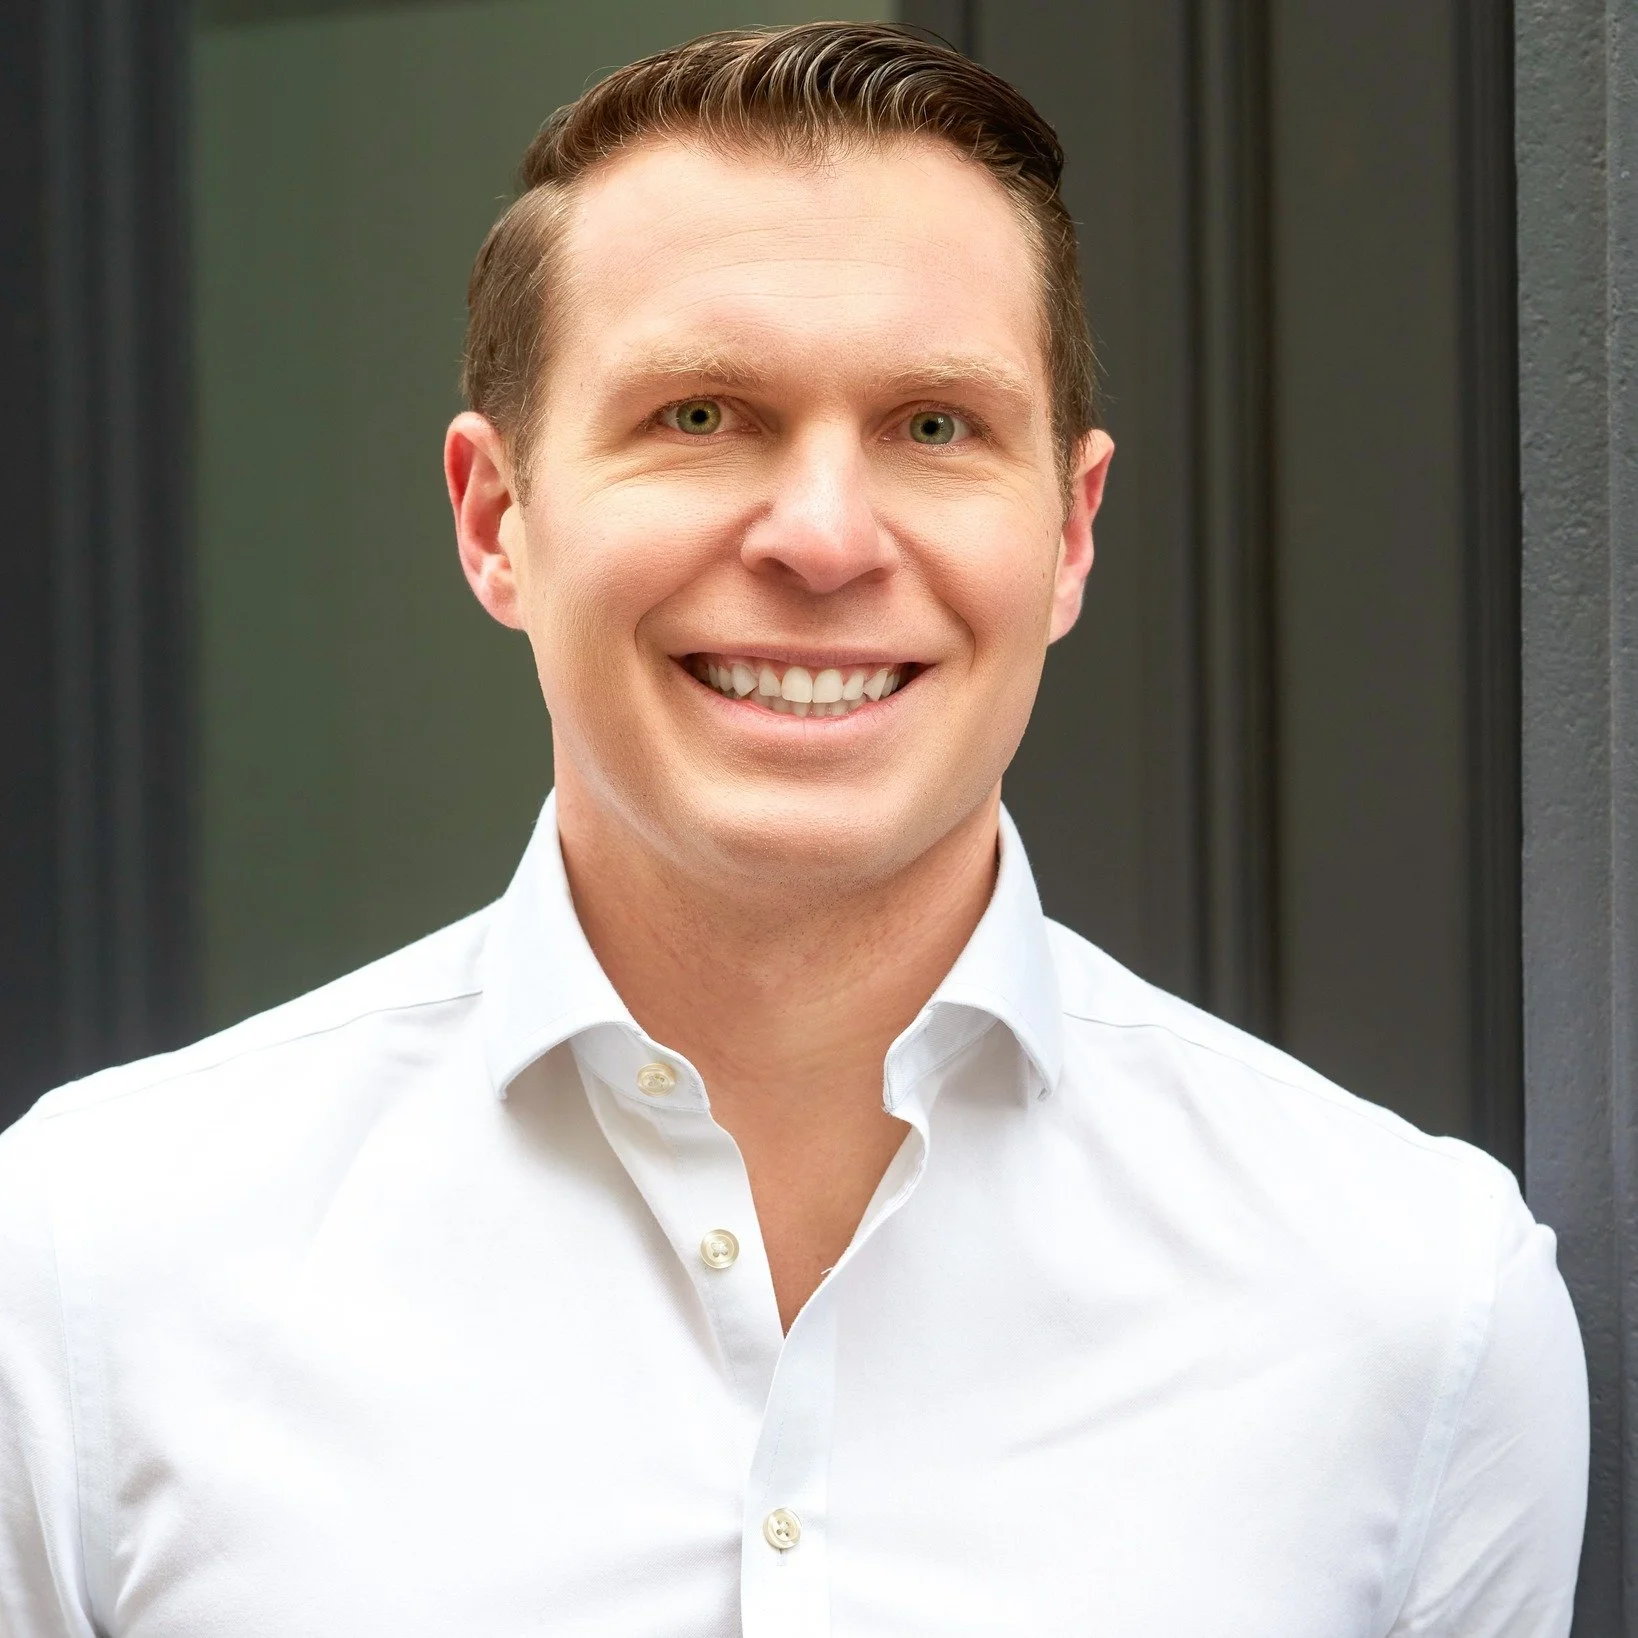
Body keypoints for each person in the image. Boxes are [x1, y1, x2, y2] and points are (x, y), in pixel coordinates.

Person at [0, 22, 1587, 1637]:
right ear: (497, 521)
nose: (824, 540)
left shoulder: (1414, 1311)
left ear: (1068, 531)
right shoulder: (90, 1276)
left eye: (934, 425)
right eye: (699, 415)